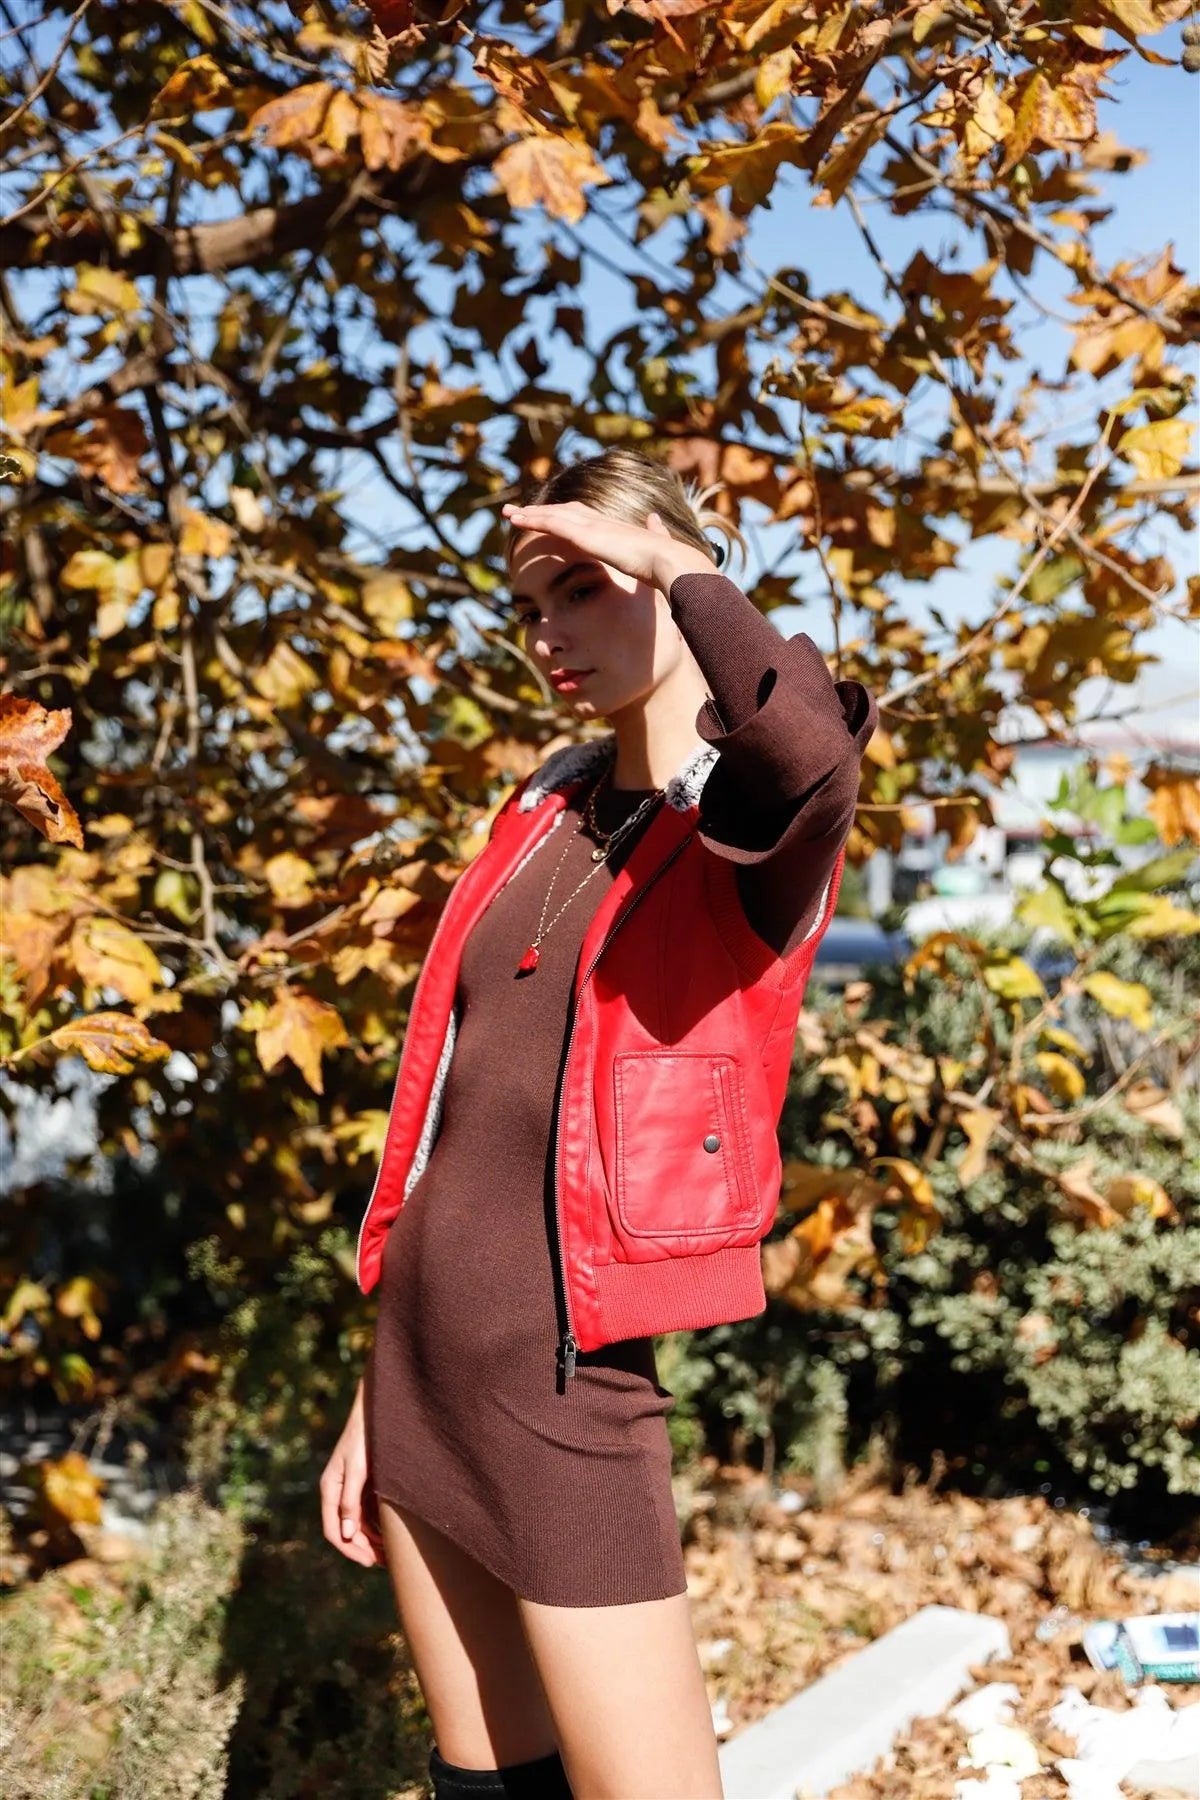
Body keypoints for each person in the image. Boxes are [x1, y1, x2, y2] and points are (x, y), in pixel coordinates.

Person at [319, 447, 877, 1800]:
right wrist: (372, 1393)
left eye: (583, 587)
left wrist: (682, 568)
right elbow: (465, 1121)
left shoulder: (740, 837)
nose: (549, 633)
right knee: (484, 1787)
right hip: (422, 1369)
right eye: (531, 604)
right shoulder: (541, 813)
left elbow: (803, 748)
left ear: (676, 578)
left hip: (571, 1391)